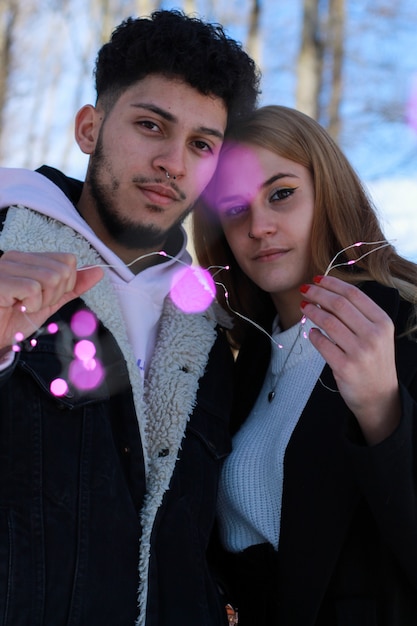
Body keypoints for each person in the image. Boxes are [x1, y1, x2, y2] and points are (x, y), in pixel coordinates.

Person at [0, 10, 260, 626]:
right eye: (151, 125)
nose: (174, 161)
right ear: (89, 128)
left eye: (201, 145)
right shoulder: (5, 249)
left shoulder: (216, 332)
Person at [193, 105, 417, 625]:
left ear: (328, 190)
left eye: (281, 194)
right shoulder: (242, 358)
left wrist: (383, 412)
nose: (259, 226)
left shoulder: (405, 327)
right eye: (234, 208)